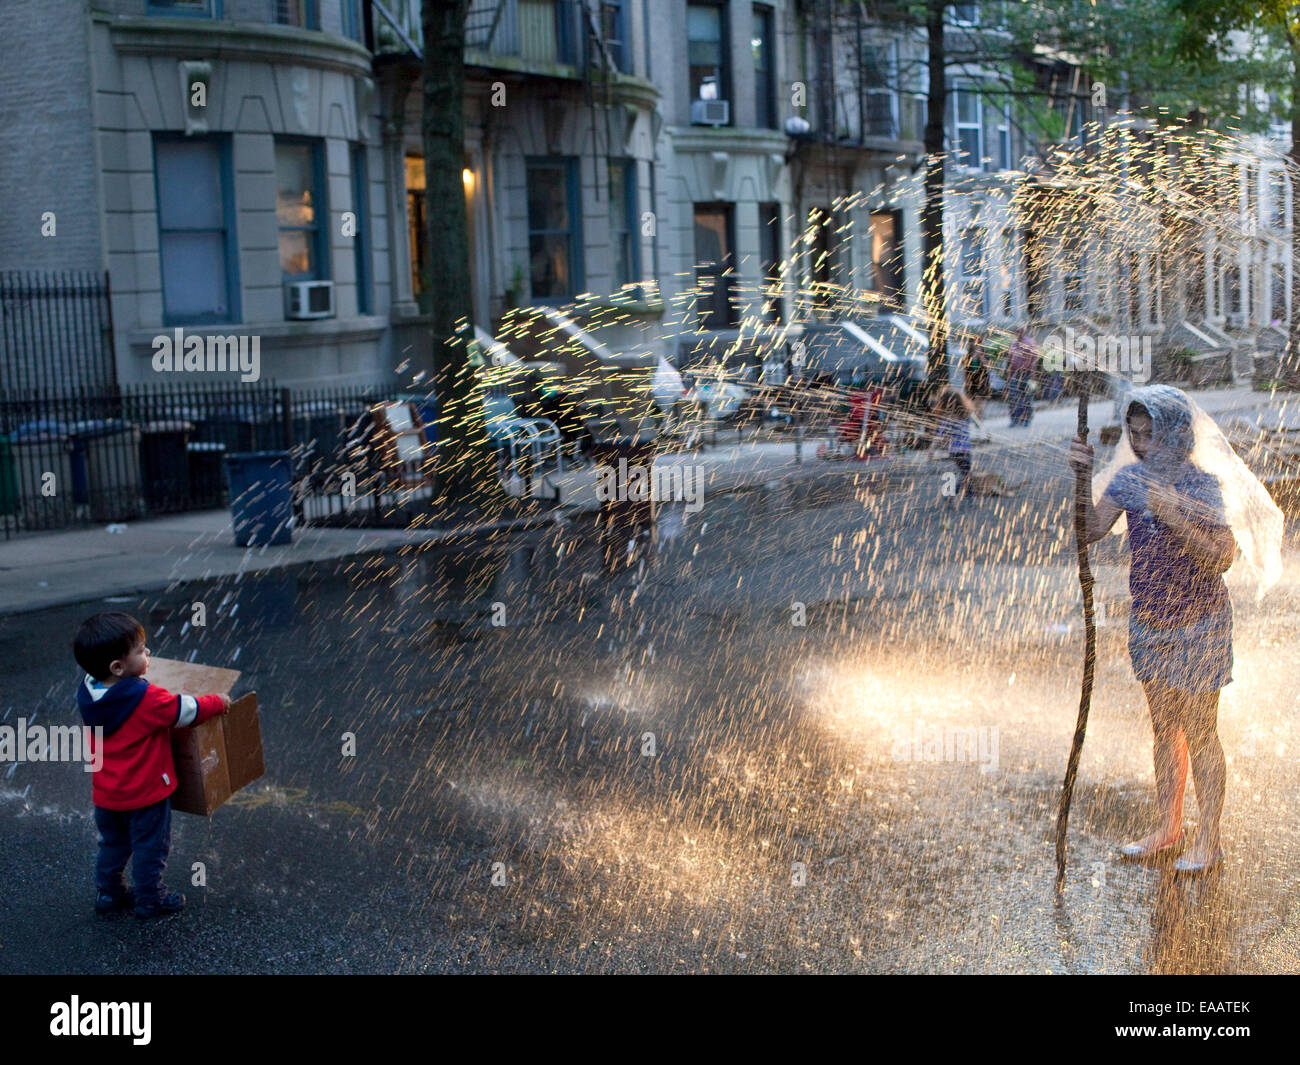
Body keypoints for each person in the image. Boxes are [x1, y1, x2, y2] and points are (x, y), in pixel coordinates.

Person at [1067, 385, 1283, 874]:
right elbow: (1088, 530)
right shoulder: (1128, 479)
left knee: (1201, 732)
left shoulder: (1202, 484)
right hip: (1149, 622)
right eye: (1135, 434)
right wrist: (1082, 477)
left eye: (1153, 434)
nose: (1143, 444)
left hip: (1199, 625)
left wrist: (1171, 513)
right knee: (1164, 730)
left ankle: (1210, 838)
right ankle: (1169, 827)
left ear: (1178, 434)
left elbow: (1222, 558)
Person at [73, 612, 230, 919]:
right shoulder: (147, 699)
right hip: (146, 796)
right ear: (118, 667)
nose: (148, 653)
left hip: (107, 794)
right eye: (141, 650)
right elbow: (188, 710)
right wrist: (219, 701)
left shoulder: (88, 691)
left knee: (113, 844)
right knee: (149, 848)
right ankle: (151, 899)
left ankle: (108, 893)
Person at [929, 387, 975, 506]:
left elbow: (940, 436)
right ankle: (953, 493)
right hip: (964, 450)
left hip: (954, 451)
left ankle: (969, 493)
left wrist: (932, 450)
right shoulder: (965, 415)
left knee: (966, 473)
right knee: (966, 473)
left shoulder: (947, 418)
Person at [1006, 327, 1038, 426]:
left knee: (1027, 397)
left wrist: (1033, 373)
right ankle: (1015, 419)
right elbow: (1010, 360)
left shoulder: (1029, 342)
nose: (1018, 333)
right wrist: (1008, 374)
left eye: (1020, 331)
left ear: (1023, 332)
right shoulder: (1013, 344)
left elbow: (1034, 359)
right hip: (1015, 373)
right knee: (1013, 396)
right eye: (1016, 332)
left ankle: (1026, 419)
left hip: (1026, 373)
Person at [963, 336, 991, 418]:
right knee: (972, 400)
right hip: (971, 380)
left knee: (980, 399)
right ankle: (976, 416)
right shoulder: (968, 355)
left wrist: (980, 355)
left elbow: (987, 365)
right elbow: (965, 368)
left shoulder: (984, 352)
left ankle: (979, 416)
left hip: (982, 380)